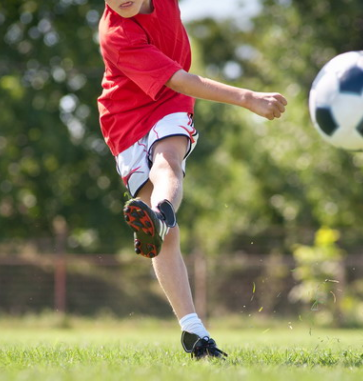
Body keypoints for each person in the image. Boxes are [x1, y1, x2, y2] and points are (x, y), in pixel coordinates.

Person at [97, 0, 287, 359]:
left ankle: (161, 215)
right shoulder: (116, 34)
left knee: (168, 160)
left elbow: (176, 89)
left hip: (169, 105)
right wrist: (247, 98)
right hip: (123, 122)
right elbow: (179, 77)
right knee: (167, 239)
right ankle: (194, 333)